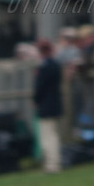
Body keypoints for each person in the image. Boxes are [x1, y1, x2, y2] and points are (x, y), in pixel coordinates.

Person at [33, 39, 63, 174]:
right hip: (55, 104)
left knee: (47, 137)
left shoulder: (44, 67)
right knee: (54, 135)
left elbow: (40, 88)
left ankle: (51, 165)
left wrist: (36, 100)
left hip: (46, 105)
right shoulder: (56, 65)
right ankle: (55, 162)